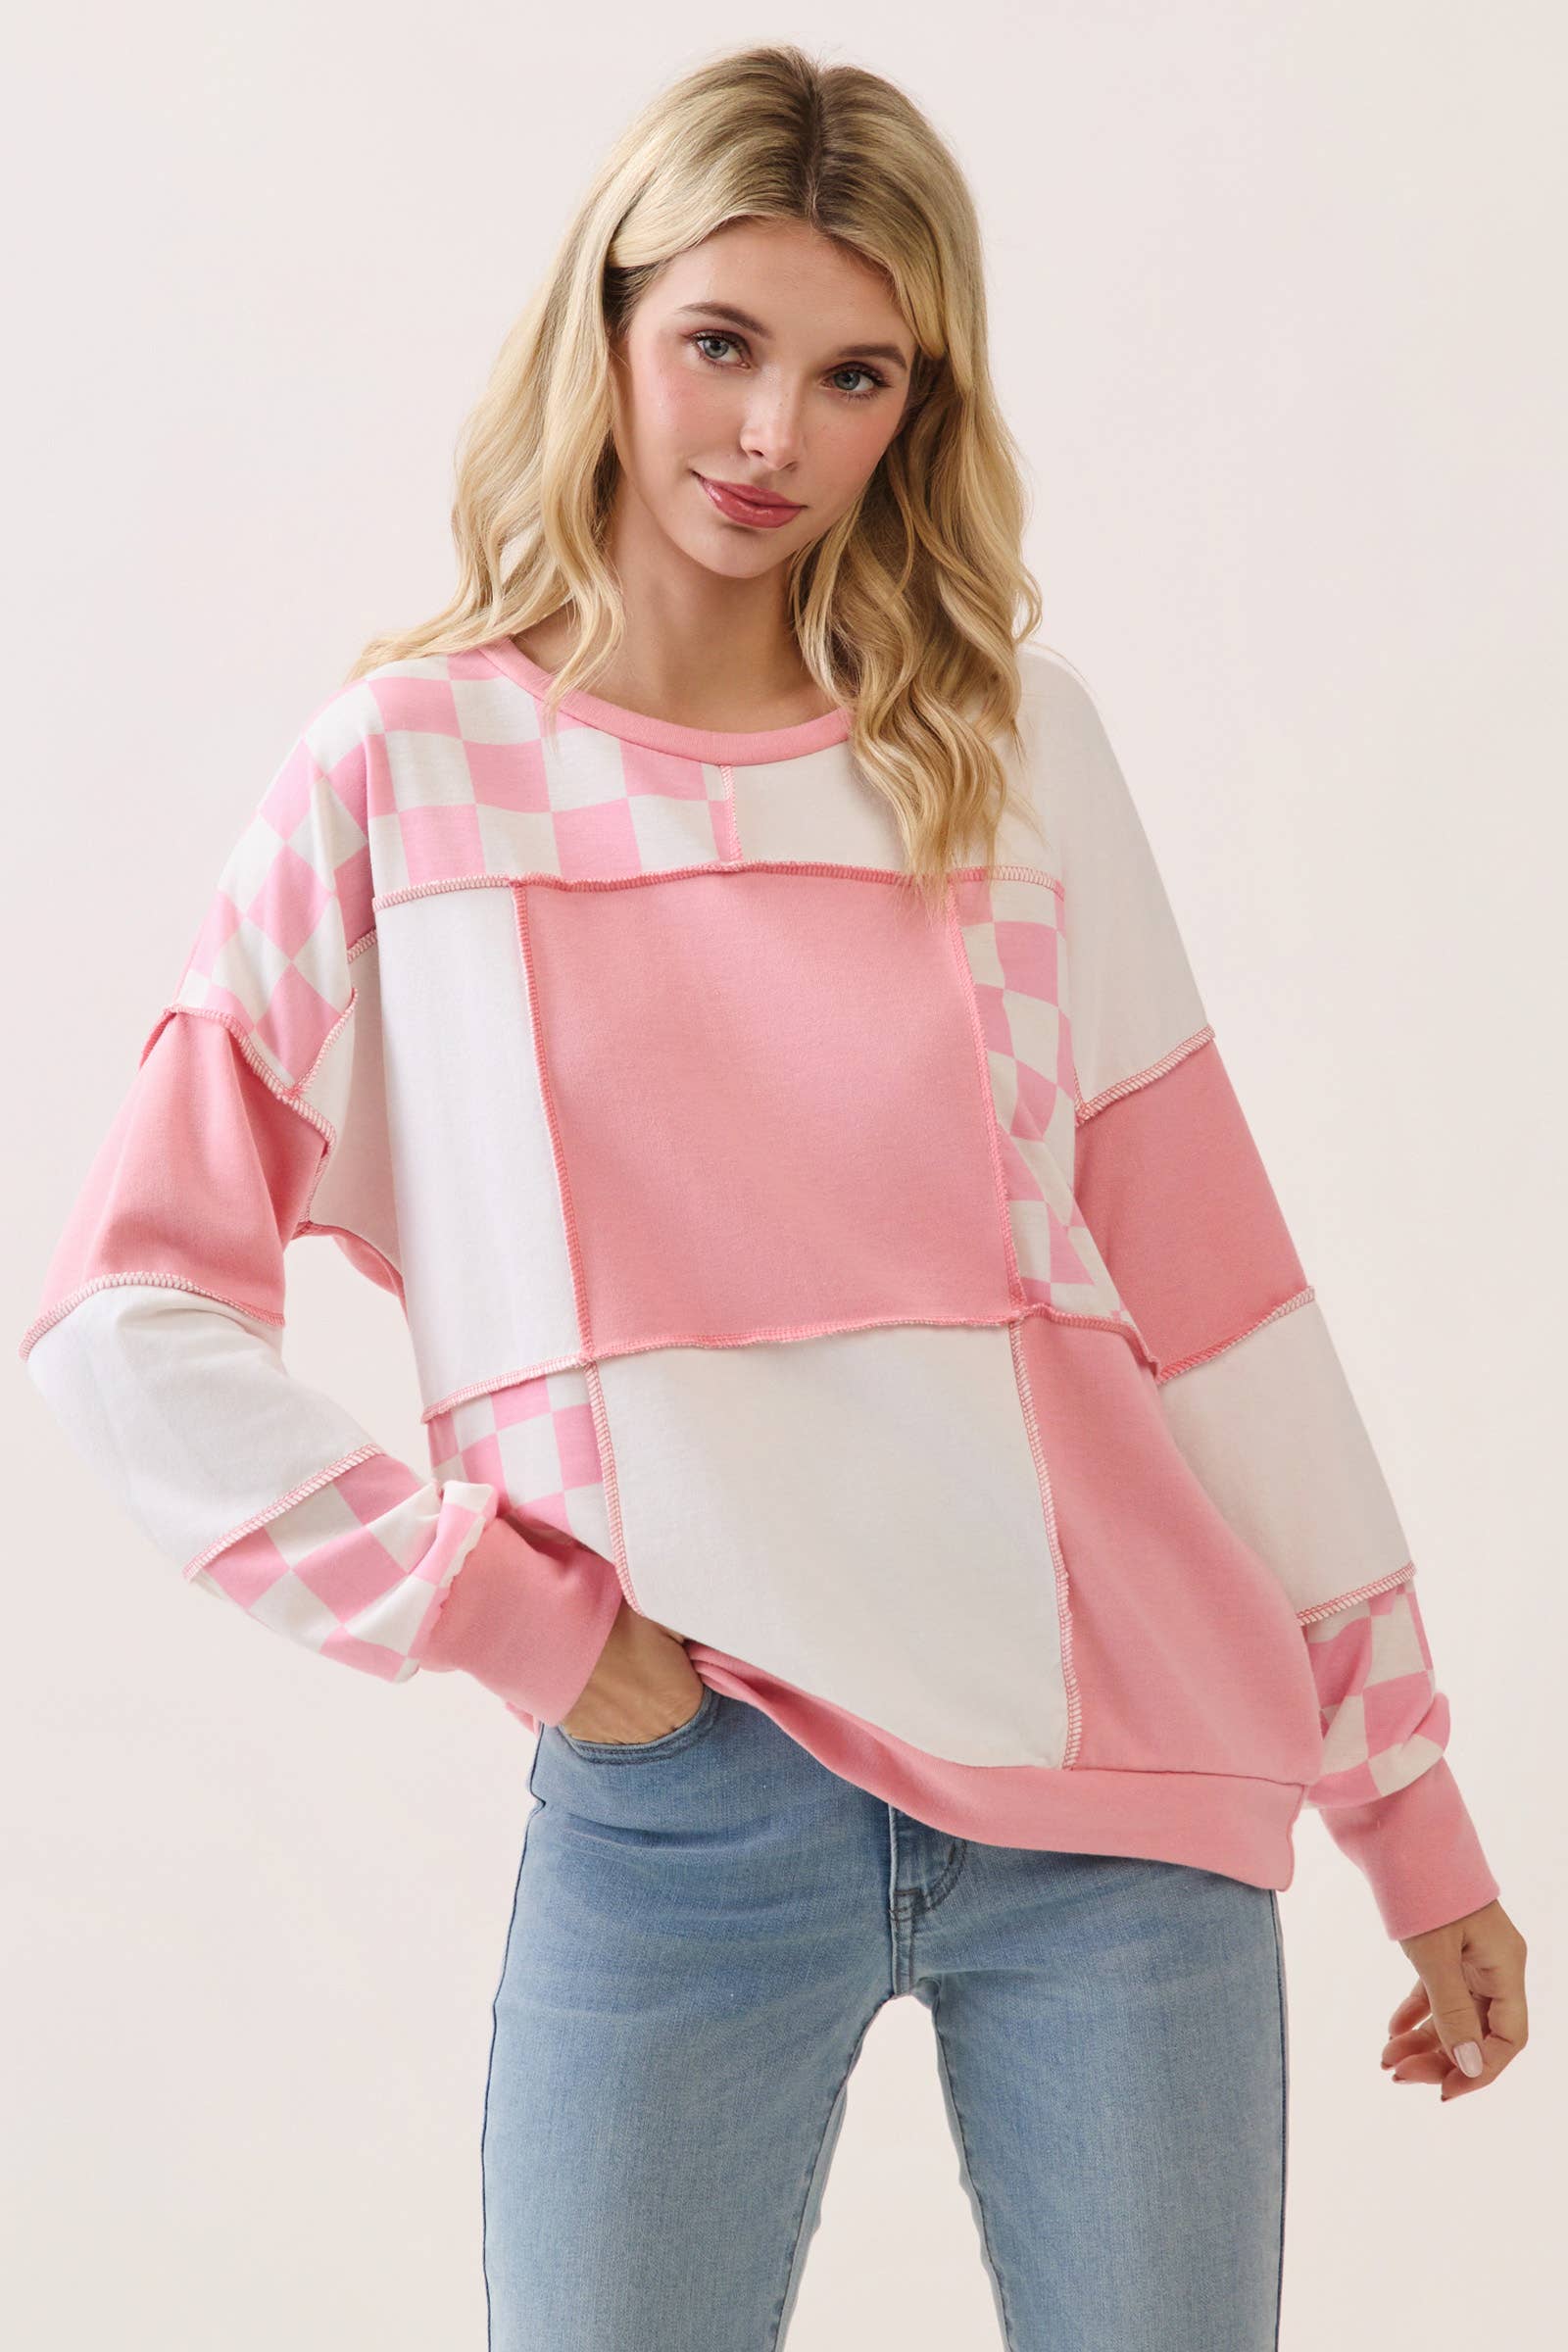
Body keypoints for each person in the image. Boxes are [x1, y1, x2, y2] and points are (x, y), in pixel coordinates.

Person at [20, 40, 1527, 2352]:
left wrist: (1406, 1816)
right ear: (607, 322)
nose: (766, 437)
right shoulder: (408, 776)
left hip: (1116, 1813)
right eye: (718, 343)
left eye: (851, 377)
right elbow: (127, 1318)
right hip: (678, 1809)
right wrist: (497, 1612)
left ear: (915, 410)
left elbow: (1217, 1306)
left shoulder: (1004, 749)